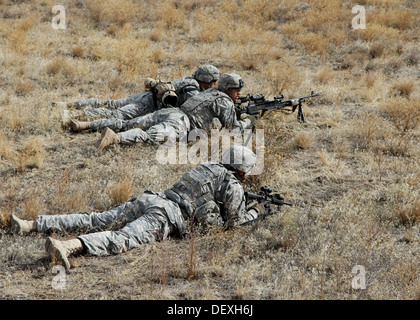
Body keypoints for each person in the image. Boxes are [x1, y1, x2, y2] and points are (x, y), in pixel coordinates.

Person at [9, 146, 260, 270]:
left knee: (96, 218)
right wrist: (256, 212)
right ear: (242, 170)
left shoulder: (207, 167)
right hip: (165, 216)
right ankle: (67, 246)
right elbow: (235, 222)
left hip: (150, 199)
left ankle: (29, 224)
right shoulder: (232, 183)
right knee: (122, 239)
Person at [92, 73, 253, 150]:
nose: (238, 93)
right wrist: (248, 121)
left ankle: (87, 124)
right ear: (228, 89)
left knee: (127, 123)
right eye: (236, 90)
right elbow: (233, 129)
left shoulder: (210, 91)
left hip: (171, 112)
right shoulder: (225, 102)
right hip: (181, 123)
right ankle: (115, 138)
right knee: (150, 137)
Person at [65, 64, 220, 123]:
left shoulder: (188, 80)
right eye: (214, 82)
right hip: (149, 104)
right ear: (206, 80)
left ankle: (72, 105)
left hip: (148, 95)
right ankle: (76, 116)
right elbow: (191, 109)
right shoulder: (192, 88)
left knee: (111, 103)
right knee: (116, 114)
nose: (215, 85)